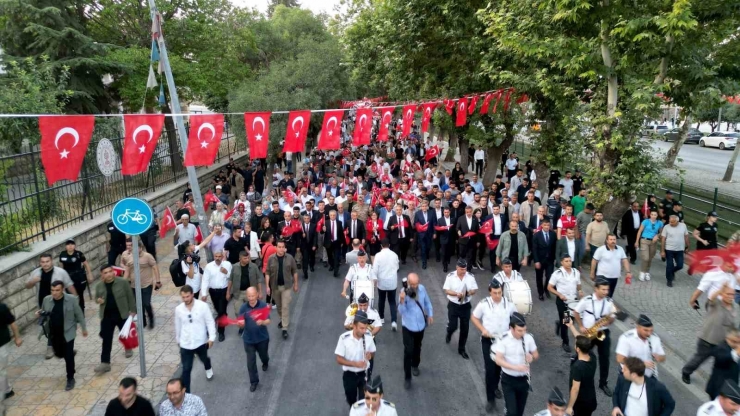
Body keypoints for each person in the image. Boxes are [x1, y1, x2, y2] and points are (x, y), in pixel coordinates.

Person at [471, 279, 517, 412]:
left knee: (499, 369)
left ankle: (495, 386)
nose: (498, 296)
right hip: (488, 341)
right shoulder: (484, 304)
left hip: (503, 342)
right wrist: (483, 330)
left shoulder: (509, 304)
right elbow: (474, 317)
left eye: (500, 293)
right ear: (490, 292)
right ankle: (490, 399)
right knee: (490, 370)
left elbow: (515, 319)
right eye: (495, 293)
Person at [683, 282, 738, 385]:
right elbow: (711, 298)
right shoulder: (716, 303)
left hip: (721, 343)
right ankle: (686, 371)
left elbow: (731, 324)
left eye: (732, 294)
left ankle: (715, 382)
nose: (731, 297)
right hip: (707, 340)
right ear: (722, 294)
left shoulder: (733, 307)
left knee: (720, 363)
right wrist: (720, 290)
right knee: (699, 359)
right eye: (728, 294)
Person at [26, 253, 77, 359]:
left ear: (51, 261)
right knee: (50, 325)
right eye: (43, 262)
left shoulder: (60, 272)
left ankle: (62, 347)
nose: (45, 264)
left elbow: (69, 285)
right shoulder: (36, 273)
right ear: (40, 263)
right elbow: (27, 286)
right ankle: (53, 347)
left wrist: (75, 299)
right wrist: (32, 281)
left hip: (60, 302)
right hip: (44, 304)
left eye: (47, 261)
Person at [38, 280, 86, 391]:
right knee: (59, 353)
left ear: (63, 289)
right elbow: (44, 312)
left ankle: (70, 378)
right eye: (52, 290)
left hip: (68, 332)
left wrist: (84, 328)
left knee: (68, 356)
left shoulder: (72, 299)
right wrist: (40, 314)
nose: (54, 293)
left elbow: (79, 314)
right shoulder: (47, 300)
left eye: (57, 290)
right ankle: (67, 353)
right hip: (54, 332)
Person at [573, 278, 616, 397]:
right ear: (596, 288)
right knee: (582, 356)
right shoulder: (587, 300)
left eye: (607, 289)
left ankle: (603, 383)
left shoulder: (608, 301)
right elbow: (575, 312)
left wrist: (609, 321)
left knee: (604, 357)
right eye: (603, 289)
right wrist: (581, 326)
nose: (606, 292)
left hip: (601, 333)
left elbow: (612, 317)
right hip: (588, 333)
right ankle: (578, 379)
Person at [494, 312, 539, 416]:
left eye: (524, 330)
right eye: (519, 330)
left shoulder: (528, 338)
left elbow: (536, 354)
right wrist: (515, 367)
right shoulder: (503, 339)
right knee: (512, 412)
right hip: (508, 380)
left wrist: (531, 357)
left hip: (524, 380)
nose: (522, 333)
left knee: (519, 412)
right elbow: (498, 360)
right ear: (511, 328)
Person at [94, 264, 136, 375]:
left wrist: (133, 310)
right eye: (105, 273)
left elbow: (130, 296)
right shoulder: (99, 286)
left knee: (124, 334)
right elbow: (96, 298)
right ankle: (105, 363)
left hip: (121, 313)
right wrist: (99, 300)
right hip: (107, 315)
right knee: (106, 339)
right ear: (102, 275)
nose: (108, 274)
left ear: (113, 272)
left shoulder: (122, 282)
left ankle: (128, 347)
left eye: (110, 271)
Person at [175, 285, 216, 392]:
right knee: (186, 369)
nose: (185, 299)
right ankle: (186, 394)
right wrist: (178, 340)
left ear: (192, 294)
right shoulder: (179, 309)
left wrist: (211, 337)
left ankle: (208, 366)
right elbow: (177, 325)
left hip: (200, 342)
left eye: (187, 296)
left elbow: (210, 321)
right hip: (186, 344)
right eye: (183, 297)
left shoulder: (202, 306)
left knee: (204, 358)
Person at [398, 272, 433, 389]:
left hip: (420, 326)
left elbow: (427, 302)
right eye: (412, 284)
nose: (415, 286)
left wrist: (430, 314)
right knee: (408, 351)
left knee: (418, 346)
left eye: (416, 283)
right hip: (408, 326)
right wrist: (402, 301)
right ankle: (407, 377)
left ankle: (415, 365)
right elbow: (401, 312)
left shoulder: (422, 289)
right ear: (408, 282)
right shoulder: (404, 293)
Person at [336, 310, 377, 407]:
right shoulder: (344, 338)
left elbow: (373, 352)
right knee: (352, 401)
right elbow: (339, 359)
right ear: (354, 326)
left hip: (364, 374)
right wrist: (355, 364)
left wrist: (370, 355)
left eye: (365, 328)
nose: (364, 331)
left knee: (364, 403)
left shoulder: (368, 336)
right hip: (350, 375)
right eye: (361, 328)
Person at [611, 357, 675, 416]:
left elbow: (670, 404)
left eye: (624, 369)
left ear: (633, 375)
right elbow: (616, 393)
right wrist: (616, 407)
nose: (622, 370)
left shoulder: (657, 387)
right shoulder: (622, 379)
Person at [443, 259, 478, 359]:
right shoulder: (450, 276)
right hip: (453, 305)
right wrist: (456, 294)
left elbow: (474, 289)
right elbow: (446, 290)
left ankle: (461, 349)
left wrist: (467, 293)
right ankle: (449, 333)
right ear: (457, 267)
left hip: (465, 305)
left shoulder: (470, 277)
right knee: (453, 326)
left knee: (465, 328)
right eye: (461, 269)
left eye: (465, 269)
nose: (463, 271)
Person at [548, 255, 583, 352]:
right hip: (562, 301)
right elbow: (549, 287)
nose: (569, 263)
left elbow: (578, 284)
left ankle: (559, 323)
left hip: (573, 301)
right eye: (566, 261)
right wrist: (559, 294)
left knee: (570, 320)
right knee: (567, 322)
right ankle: (565, 342)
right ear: (562, 262)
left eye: (570, 261)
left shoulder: (576, 272)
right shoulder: (557, 274)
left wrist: (580, 291)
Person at [237, 287, 270, 392]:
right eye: (249, 296)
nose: (251, 298)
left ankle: (265, 361)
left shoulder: (263, 305)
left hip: (262, 338)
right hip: (248, 340)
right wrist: (241, 324)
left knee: (263, 355)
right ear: (247, 296)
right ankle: (254, 382)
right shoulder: (243, 308)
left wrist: (262, 322)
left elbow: (268, 320)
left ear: (257, 295)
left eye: (253, 295)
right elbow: (240, 323)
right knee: (250, 362)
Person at [265, 239, 299, 339]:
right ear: (276, 247)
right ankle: (282, 319)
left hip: (286, 287)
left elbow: (295, 271)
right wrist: (267, 286)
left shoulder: (290, 258)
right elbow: (267, 273)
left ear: (285, 248)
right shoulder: (271, 258)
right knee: (279, 306)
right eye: (278, 247)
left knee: (285, 307)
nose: (280, 249)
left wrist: (296, 284)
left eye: (282, 247)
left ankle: (284, 328)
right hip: (275, 287)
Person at [615, 314, 665, 382]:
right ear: (638, 327)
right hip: (629, 376)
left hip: (648, 376)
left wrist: (659, 357)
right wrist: (641, 364)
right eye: (646, 330)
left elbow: (662, 357)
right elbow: (620, 359)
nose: (649, 334)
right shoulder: (626, 338)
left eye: (651, 330)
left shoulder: (655, 338)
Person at [122, 239, 159, 329]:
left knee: (146, 303)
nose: (133, 250)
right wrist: (122, 284)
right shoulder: (129, 257)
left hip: (146, 284)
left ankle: (151, 319)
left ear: (140, 248)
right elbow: (127, 272)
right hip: (134, 286)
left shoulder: (147, 256)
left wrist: (158, 281)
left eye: (136, 248)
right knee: (138, 305)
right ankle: (143, 323)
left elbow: (154, 267)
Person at [201, 250, 232, 342]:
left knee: (221, 311)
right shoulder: (209, 266)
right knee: (218, 310)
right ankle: (223, 316)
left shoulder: (227, 265)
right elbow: (205, 280)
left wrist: (226, 272)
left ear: (222, 257)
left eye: (219, 256)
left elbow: (231, 278)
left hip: (224, 290)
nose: (217, 258)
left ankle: (221, 332)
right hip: (213, 292)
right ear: (214, 257)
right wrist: (204, 293)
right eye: (216, 256)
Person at [229, 251, 263, 335]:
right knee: (238, 311)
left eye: (248, 258)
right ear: (240, 259)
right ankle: (242, 327)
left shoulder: (254, 266)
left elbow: (258, 279)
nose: (247, 259)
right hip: (238, 293)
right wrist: (228, 292)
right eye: (245, 258)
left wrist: (260, 292)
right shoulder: (235, 267)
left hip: (250, 293)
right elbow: (230, 280)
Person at [565, 334, 598, 416]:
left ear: (578, 349)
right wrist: (571, 326)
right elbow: (581, 338)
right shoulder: (592, 357)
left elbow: (575, 389)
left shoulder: (578, 366)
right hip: (591, 399)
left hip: (581, 404)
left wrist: (569, 407)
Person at [58, 239, 93, 311]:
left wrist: (89, 274)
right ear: (66, 246)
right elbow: (61, 266)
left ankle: (81, 311)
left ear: (75, 246)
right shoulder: (62, 254)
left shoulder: (79, 254)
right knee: (70, 295)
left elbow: (86, 264)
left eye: (72, 244)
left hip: (78, 277)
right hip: (68, 278)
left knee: (80, 295)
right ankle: (74, 311)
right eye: (68, 244)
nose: (70, 246)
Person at [705, 329, 740, 400]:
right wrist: (736, 353)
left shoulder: (735, 349)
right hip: (718, 388)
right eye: (733, 341)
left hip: (729, 387)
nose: (736, 344)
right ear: (727, 339)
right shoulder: (721, 348)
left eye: (738, 342)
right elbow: (722, 358)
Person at [374, 239, 399, 330]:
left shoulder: (378, 255)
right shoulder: (394, 255)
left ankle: (381, 318)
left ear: (381, 246)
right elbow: (397, 267)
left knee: (381, 300)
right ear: (389, 245)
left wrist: (374, 280)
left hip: (382, 282)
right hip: (392, 282)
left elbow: (375, 270)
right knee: (392, 301)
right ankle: (394, 321)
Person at [661, 214, 689, 287]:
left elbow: (686, 236)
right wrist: (662, 251)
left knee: (680, 265)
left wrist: (687, 246)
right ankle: (669, 280)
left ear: (677, 221)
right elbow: (663, 239)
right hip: (669, 249)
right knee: (669, 265)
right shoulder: (666, 227)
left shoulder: (683, 226)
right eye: (669, 221)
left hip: (680, 249)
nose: (670, 223)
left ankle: (671, 272)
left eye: (672, 222)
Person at [635, 210, 663, 281]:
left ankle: (647, 272)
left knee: (650, 258)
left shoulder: (659, 223)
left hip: (653, 242)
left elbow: (661, 233)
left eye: (655, 215)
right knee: (645, 258)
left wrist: (657, 235)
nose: (653, 216)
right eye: (652, 214)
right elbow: (640, 231)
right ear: (650, 215)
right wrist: (637, 241)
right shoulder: (646, 221)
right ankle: (642, 272)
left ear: (657, 216)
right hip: (644, 240)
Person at [533, 219, 557, 300]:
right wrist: (536, 261)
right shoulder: (536, 235)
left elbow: (554, 247)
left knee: (549, 276)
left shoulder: (553, 234)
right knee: (539, 277)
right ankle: (540, 293)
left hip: (550, 260)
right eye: (545, 225)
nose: (547, 227)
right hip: (540, 260)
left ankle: (546, 288)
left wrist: (555, 258)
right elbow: (534, 249)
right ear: (542, 225)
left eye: (548, 225)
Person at [324, 210, 347, 277]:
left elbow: (341, 233)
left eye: (334, 215)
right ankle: (331, 265)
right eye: (331, 215)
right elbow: (322, 232)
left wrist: (343, 242)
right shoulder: (326, 222)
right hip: (328, 242)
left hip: (336, 242)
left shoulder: (339, 223)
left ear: (336, 215)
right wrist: (323, 230)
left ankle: (336, 271)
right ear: (329, 215)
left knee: (336, 257)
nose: (333, 216)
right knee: (330, 256)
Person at [414, 200, 436, 269]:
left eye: (425, 206)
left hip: (430, 233)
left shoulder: (432, 213)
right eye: (422, 206)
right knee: (423, 248)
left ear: (427, 207)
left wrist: (435, 233)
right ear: (421, 207)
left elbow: (434, 223)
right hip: (421, 234)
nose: (424, 207)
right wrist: (420, 227)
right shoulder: (418, 213)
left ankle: (427, 254)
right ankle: (424, 262)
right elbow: (415, 223)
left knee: (428, 246)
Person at [299, 212, 318, 279]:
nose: (306, 220)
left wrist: (314, 245)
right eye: (305, 218)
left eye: (308, 218)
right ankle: (305, 272)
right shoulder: (301, 226)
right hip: (304, 246)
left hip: (311, 245)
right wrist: (302, 236)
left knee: (312, 257)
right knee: (305, 259)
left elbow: (315, 236)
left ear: (310, 219)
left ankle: (312, 266)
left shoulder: (313, 225)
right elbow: (298, 237)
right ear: (303, 219)